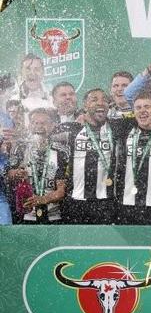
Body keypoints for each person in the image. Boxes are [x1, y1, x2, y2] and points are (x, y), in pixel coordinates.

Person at [45, 89, 121, 224]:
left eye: (104, 100)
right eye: (94, 99)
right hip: (75, 203)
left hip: (106, 203)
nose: (100, 103)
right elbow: (48, 140)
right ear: (85, 105)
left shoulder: (117, 127)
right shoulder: (70, 129)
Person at [114, 90, 151, 225]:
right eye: (138, 107)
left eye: (147, 106)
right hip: (126, 204)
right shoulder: (125, 129)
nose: (142, 111)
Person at [11, 108, 61, 224]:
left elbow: (62, 189)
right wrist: (17, 173)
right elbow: (9, 174)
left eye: (44, 123)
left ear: (52, 126)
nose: (39, 126)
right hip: (25, 215)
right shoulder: (20, 148)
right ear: (29, 126)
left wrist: (42, 199)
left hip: (54, 216)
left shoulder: (61, 151)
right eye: (35, 123)